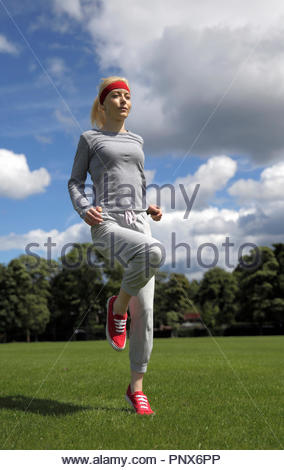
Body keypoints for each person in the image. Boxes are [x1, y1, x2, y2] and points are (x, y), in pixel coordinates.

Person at [68, 76, 165, 415]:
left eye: (128, 96)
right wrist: (84, 209)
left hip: (139, 220)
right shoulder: (90, 139)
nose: (125, 101)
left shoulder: (137, 140)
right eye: (117, 96)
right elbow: (75, 182)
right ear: (102, 103)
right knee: (154, 252)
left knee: (148, 312)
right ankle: (117, 308)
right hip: (106, 221)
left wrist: (147, 206)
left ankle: (135, 390)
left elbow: (136, 182)